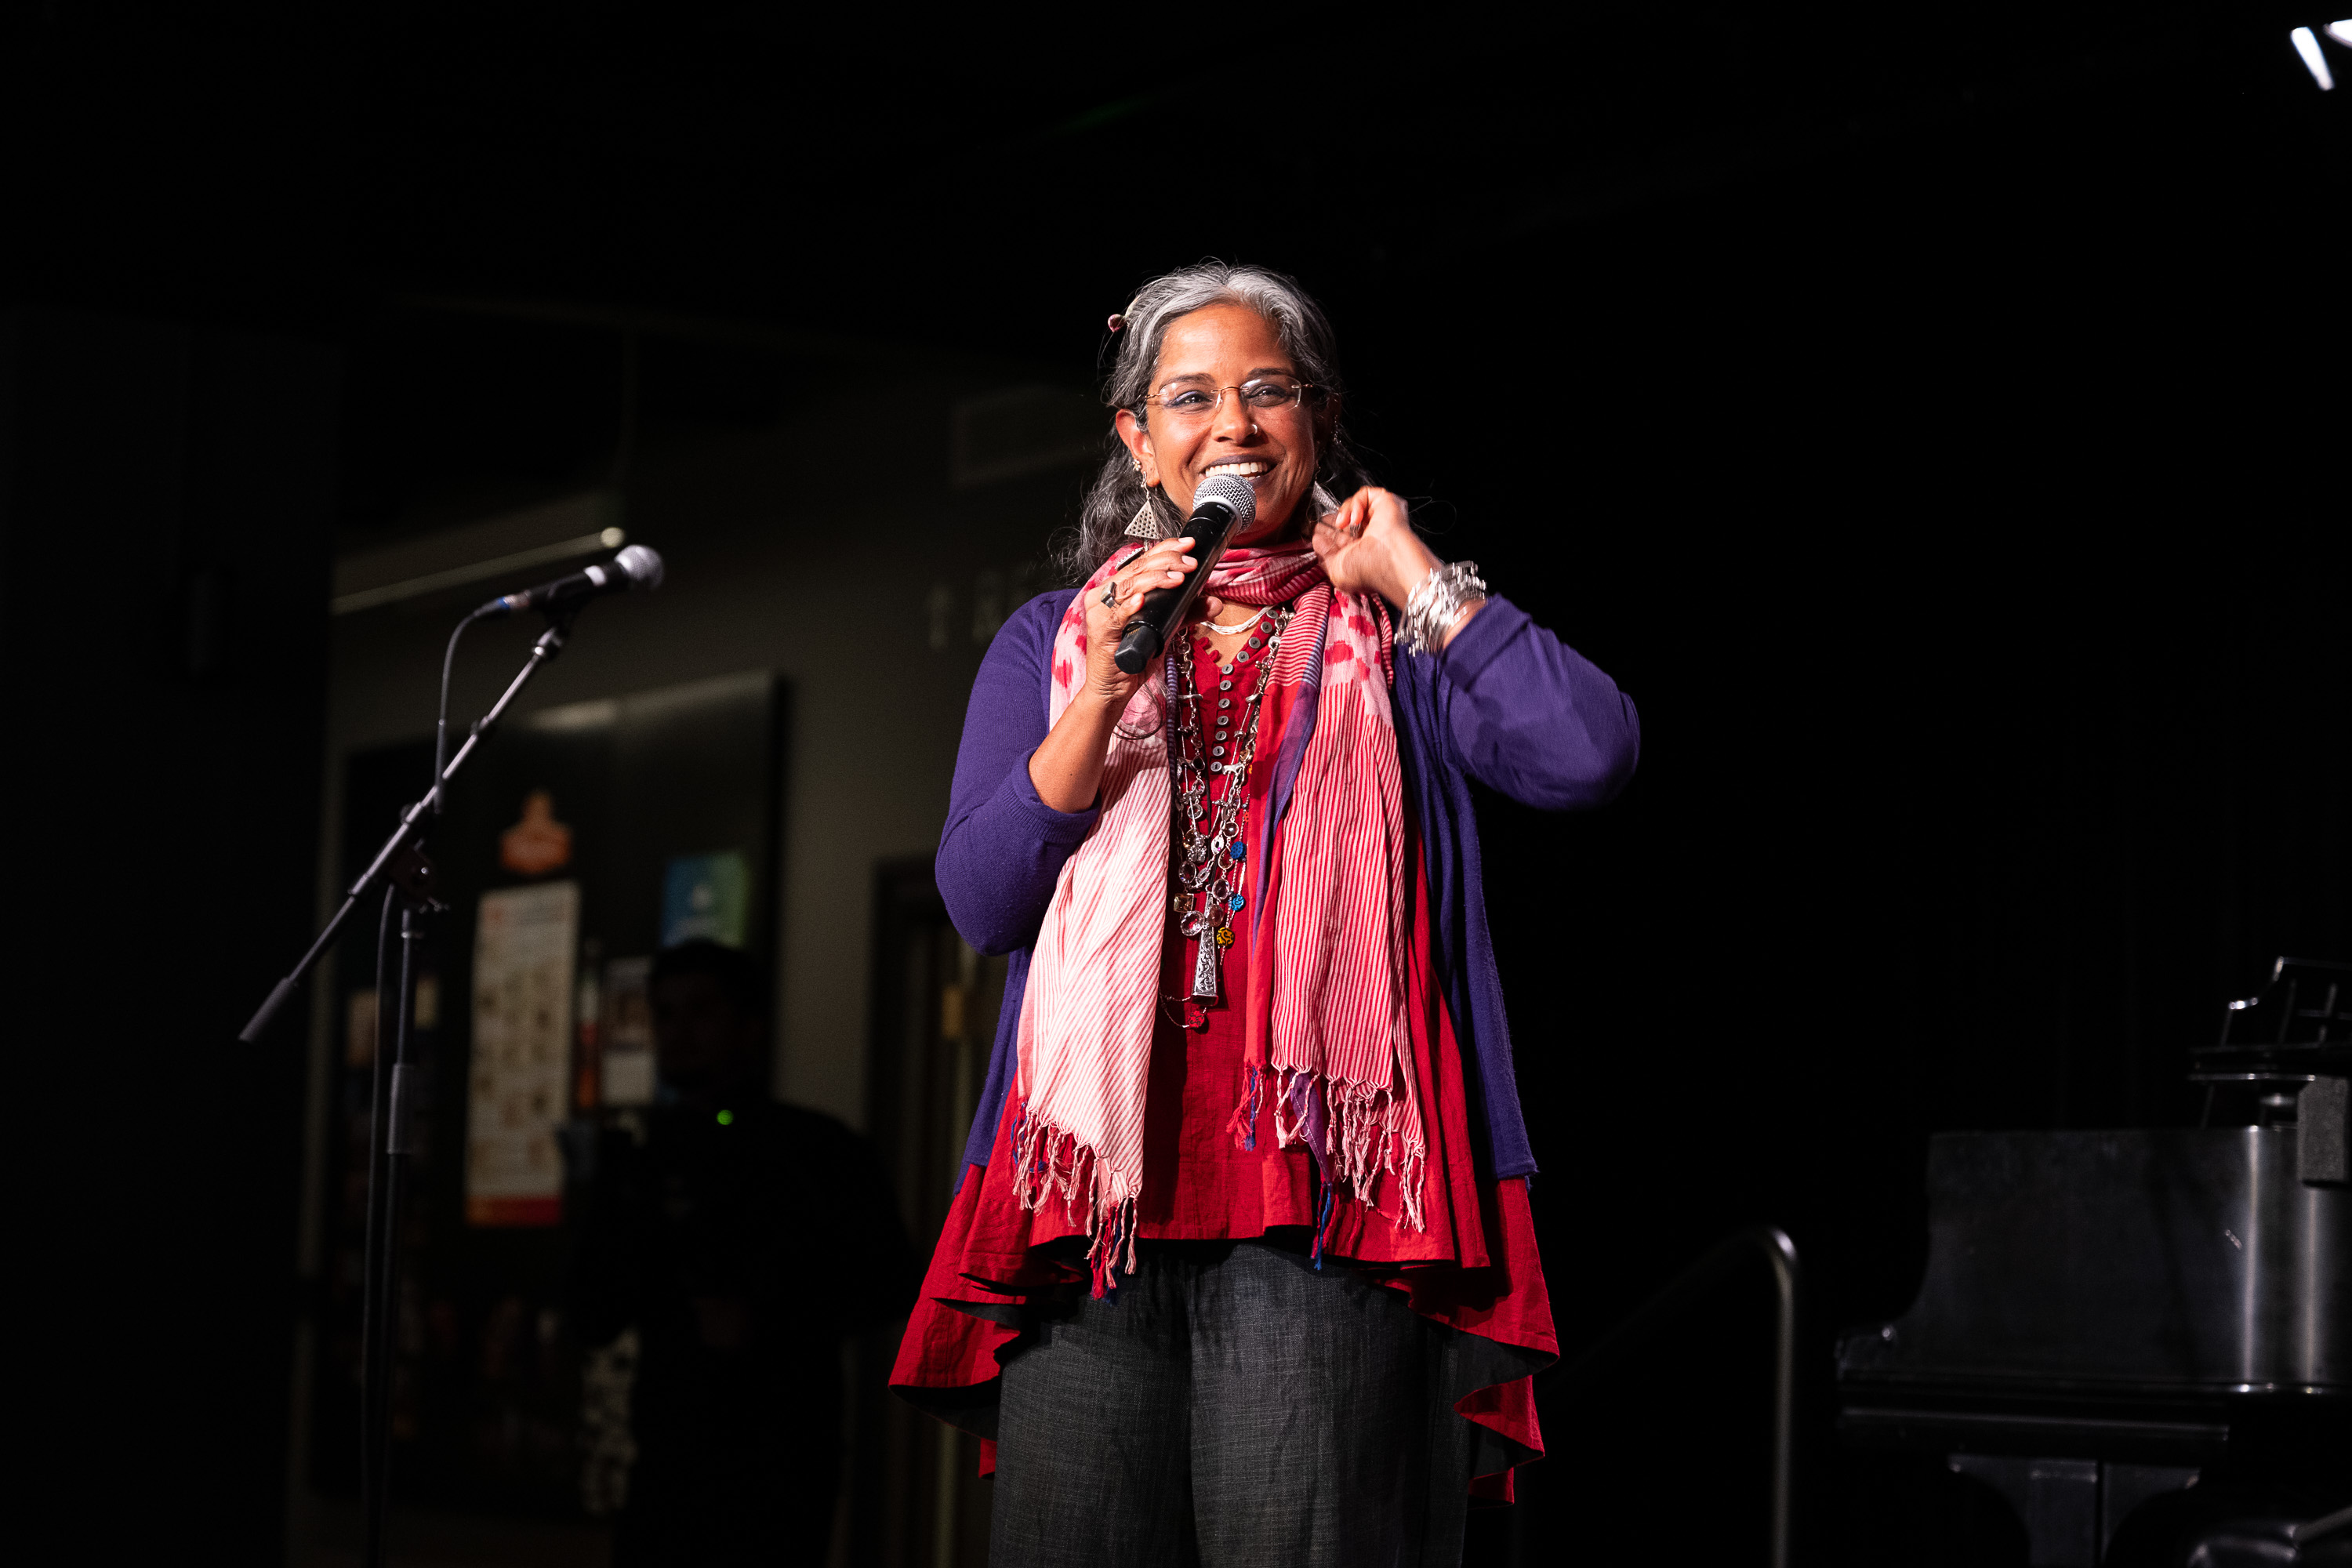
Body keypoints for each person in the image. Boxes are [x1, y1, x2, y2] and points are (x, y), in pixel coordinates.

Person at [890, 262, 1641, 1566]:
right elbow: (984, 900)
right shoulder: (1057, 638)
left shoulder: (1394, 637)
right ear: (1137, 439)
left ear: (1320, 419)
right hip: (1087, 1210)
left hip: (1322, 1206)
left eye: (1269, 391)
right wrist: (1097, 693)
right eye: (1190, 397)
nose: (1232, 424)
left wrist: (1417, 576)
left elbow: (1588, 755)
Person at [572, 938, 916, 1566]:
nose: (678, 1034)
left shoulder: (816, 1149)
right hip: (666, 1465)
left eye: (700, 1012)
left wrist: (770, 1320)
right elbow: (593, 1313)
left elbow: (890, 1281)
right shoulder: (641, 1159)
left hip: (779, 1466)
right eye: (665, 1014)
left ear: (749, 1024)